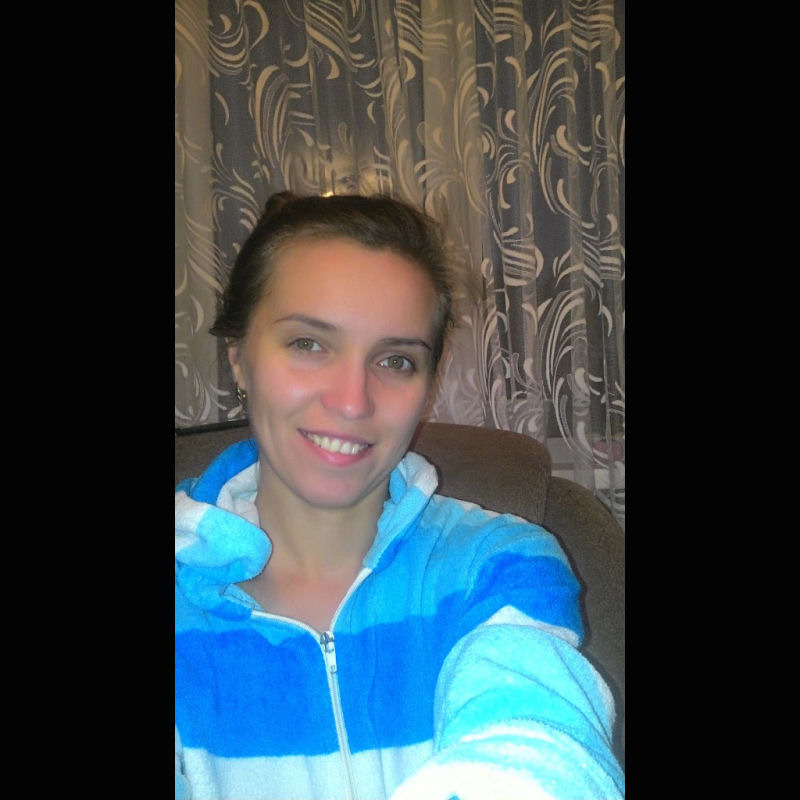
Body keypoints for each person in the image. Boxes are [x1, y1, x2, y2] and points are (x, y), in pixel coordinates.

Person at [175, 192, 625, 799]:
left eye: (395, 360)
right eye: (308, 343)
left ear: (429, 386)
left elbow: (537, 746)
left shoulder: (499, 563)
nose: (352, 401)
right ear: (238, 358)